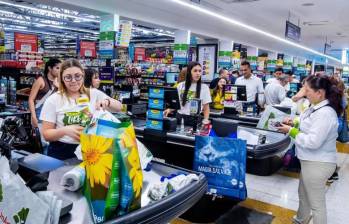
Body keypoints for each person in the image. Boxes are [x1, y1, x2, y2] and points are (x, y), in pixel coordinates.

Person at [277, 75, 341, 224]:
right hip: (309, 161)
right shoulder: (315, 107)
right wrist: (294, 121)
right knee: (304, 194)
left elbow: (313, 141)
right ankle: (301, 219)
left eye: (307, 89)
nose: (304, 92)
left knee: (316, 204)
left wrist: (291, 131)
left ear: (319, 93)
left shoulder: (325, 113)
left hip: (318, 164)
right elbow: (306, 121)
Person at [40, 59, 122, 160]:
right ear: (62, 78)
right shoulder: (53, 100)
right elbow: (46, 134)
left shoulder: (93, 93)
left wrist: (107, 102)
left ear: (83, 76)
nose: (74, 81)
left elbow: (119, 107)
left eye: (77, 76)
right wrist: (65, 131)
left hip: (92, 151)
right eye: (68, 77)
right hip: (62, 153)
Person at [164, 61, 211, 125]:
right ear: (189, 72)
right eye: (195, 71)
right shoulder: (180, 85)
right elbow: (177, 104)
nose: (198, 73)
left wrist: (206, 119)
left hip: (195, 120)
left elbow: (206, 108)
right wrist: (169, 109)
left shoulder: (204, 87)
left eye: (200, 71)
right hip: (179, 118)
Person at [29, 58, 61, 128]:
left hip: (54, 114)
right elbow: (31, 99)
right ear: (50, 68)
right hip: (40, 113)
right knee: (42, 136)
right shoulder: (41, 80)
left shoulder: (60, 82)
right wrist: (33, 116)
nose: (59, 71)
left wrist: (58, 87)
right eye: (57, 68)